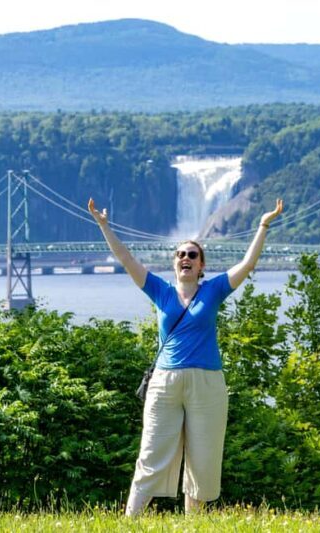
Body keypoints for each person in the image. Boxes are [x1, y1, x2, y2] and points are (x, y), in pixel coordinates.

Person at [87, 197, 283, 516]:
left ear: (201, 265)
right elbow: (125, 259)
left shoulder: (214, 290)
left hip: (207, 382)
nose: (185, 258)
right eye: (180, 255)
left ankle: (194, 524)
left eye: (192, 255)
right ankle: (128, 521)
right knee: (151, 452)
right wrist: (103, 225)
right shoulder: (160, 291)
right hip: (165, 381)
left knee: (203, 458)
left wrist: (263, 225)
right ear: (174, 263)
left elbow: (247, 265)